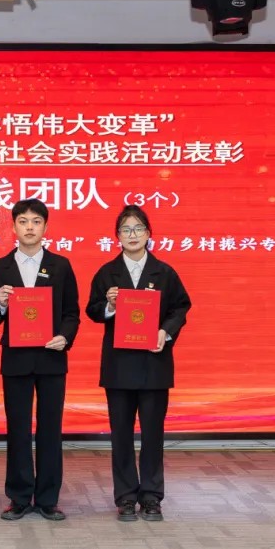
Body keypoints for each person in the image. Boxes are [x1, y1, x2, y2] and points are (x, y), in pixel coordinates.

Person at [86, 204, 191, 522]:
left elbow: (180, 308)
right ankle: (126, 497)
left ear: (148, 234)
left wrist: (165, 332)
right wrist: (109, 305)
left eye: (138, 229)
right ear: (117, 236)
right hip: (119, 366)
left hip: (154, 365)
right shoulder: (107, 272)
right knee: (120, 435)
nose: (132, 235)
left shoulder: (164, 272)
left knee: (152, 434)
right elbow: (91, 310)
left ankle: (151, 496)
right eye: (125, 229)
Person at [0, 198, 80, 522]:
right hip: (16, 359)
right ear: (13, 227)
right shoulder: (0, 267)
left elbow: (71, 312)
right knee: (18, 430)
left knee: (51, 429)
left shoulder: (60, 265)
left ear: (45, 227)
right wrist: (0, 303)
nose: (29, 227)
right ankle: (20, 497)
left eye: (36, 221)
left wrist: (64, 337)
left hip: (51, 358)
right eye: (23, 221)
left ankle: (49, 498)